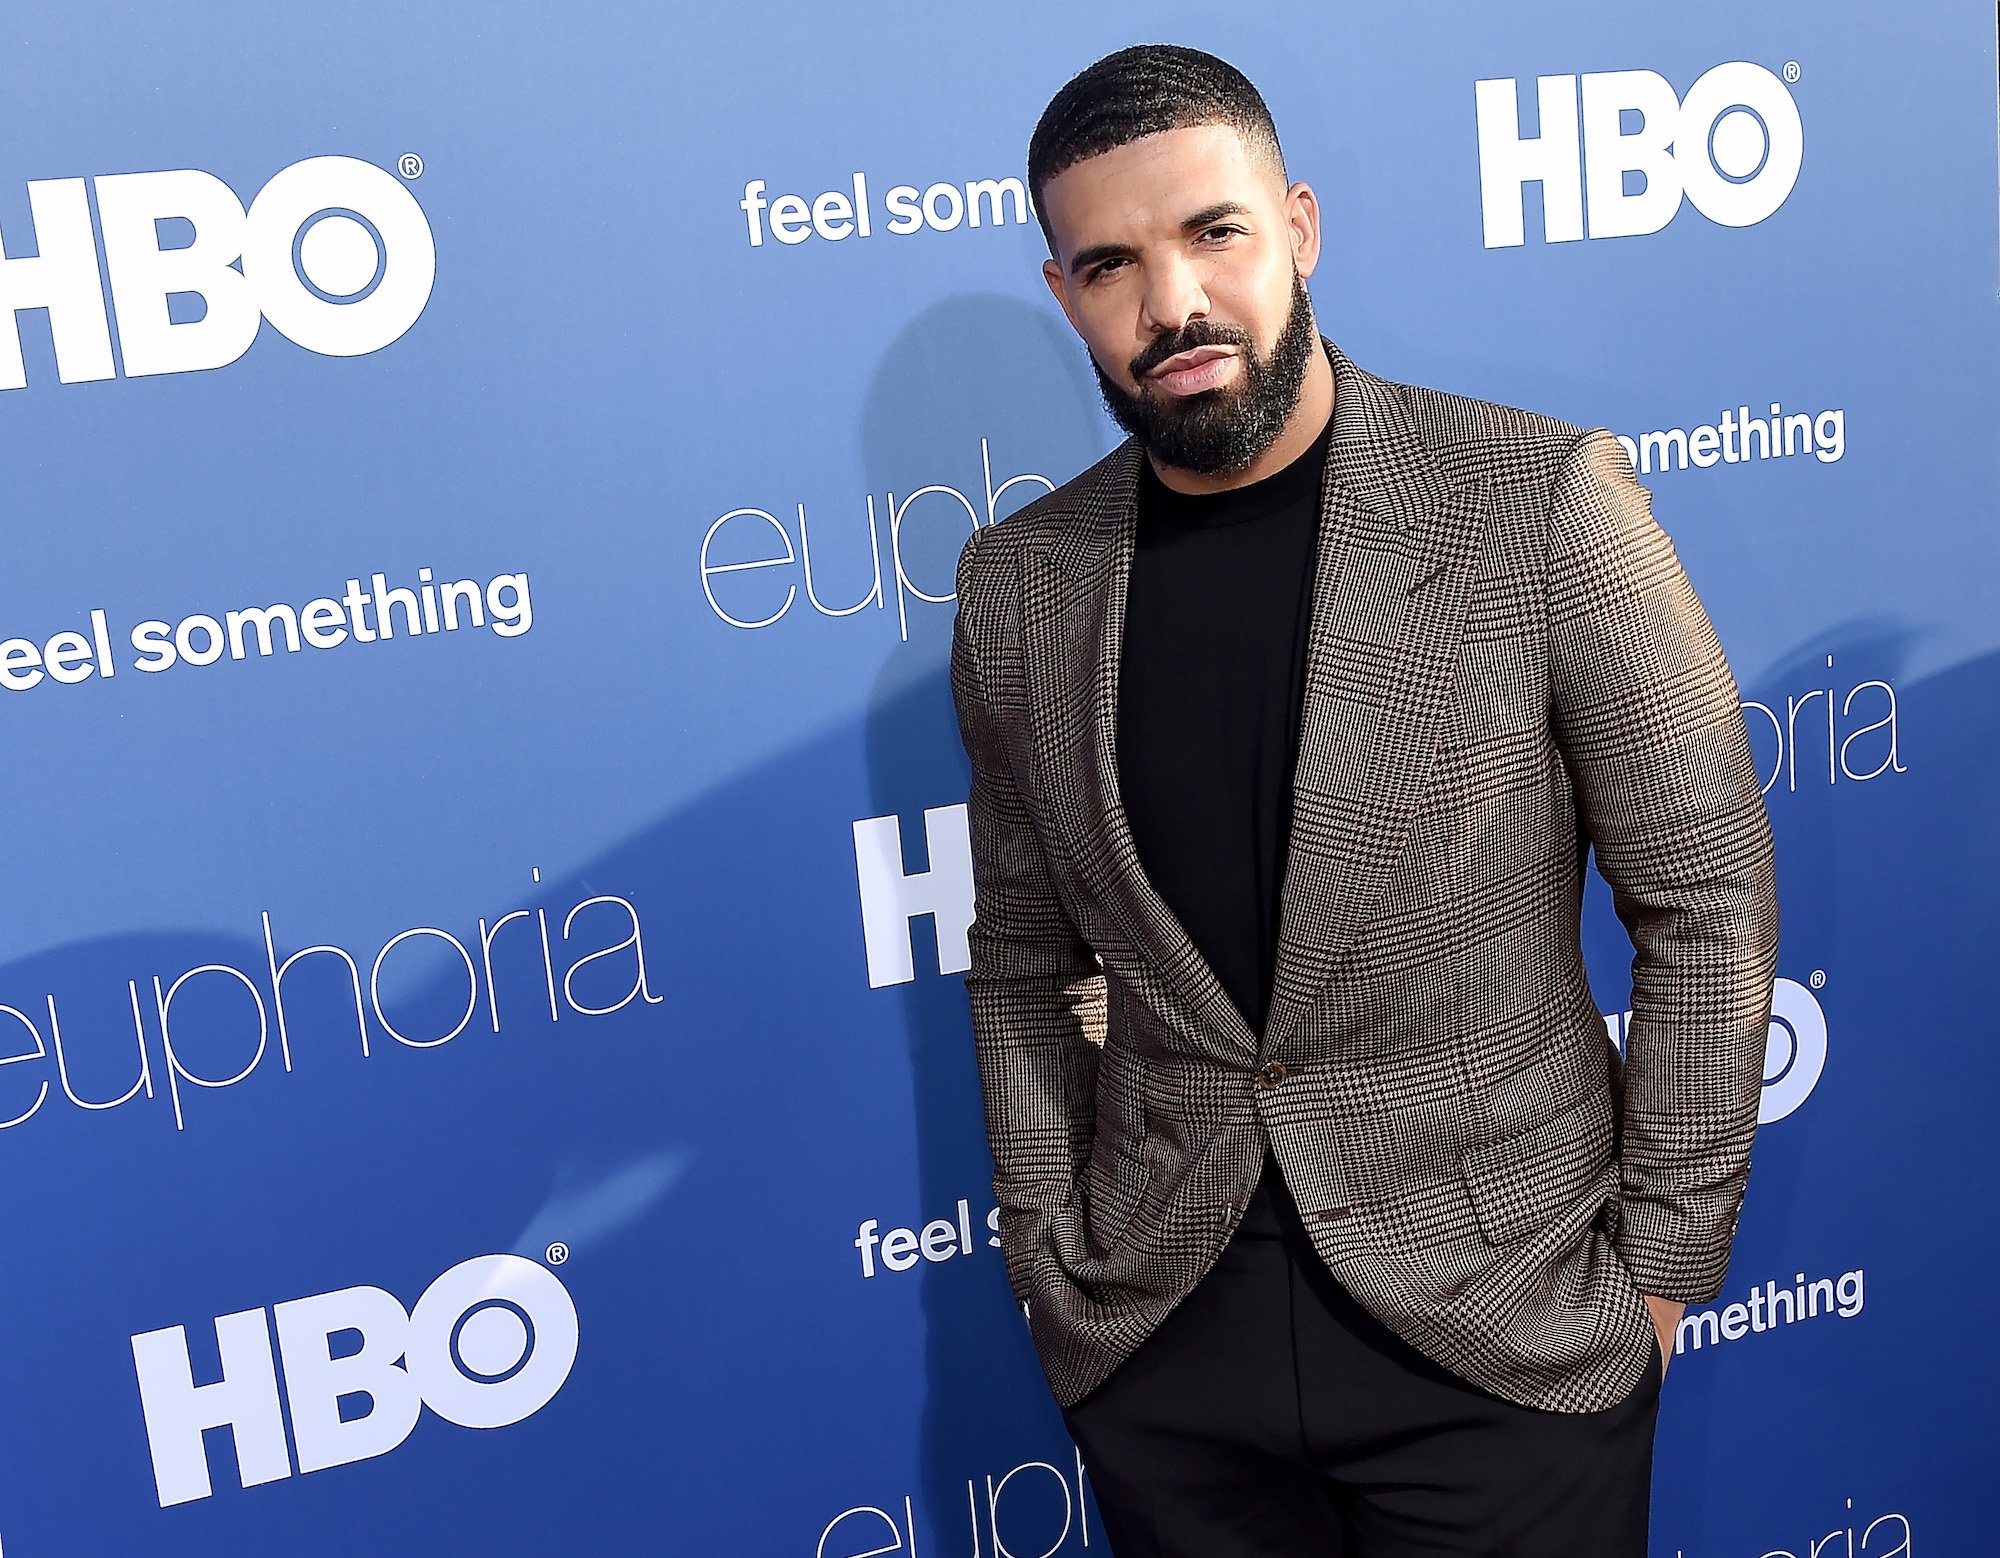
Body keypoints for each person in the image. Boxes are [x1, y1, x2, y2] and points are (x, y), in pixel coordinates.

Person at [947, 41, 1781, 1558]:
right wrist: (1046, 1251)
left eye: (1215, 234)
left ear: (1301, 228)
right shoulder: (1020, 585)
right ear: (1064, 292)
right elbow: (1018, 953)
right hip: (1165, 1341)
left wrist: (1658, 1272)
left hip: (1501, 1335)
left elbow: (1707, 893)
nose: (1174, 304)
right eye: (1110, 262)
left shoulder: (1537, 503)